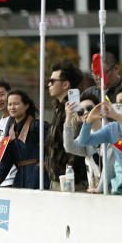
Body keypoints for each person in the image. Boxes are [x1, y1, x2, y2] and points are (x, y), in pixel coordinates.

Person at [0, 90, 49, 189]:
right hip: (19, 179)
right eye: (10, 104)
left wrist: (45, 162)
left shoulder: (38, 126)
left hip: (39, 177)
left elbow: (53, 145)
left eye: (16, 104)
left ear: (26, 106)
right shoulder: (9, 131)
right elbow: (6, 159)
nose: (12, 107)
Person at [46, 61, 86, 191]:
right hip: (58, 179)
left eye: (52, 81)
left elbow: (73, 143)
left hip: (72, 180)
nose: (48, 84)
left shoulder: (74, 109)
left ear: (65, 84)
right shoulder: (59, 108)